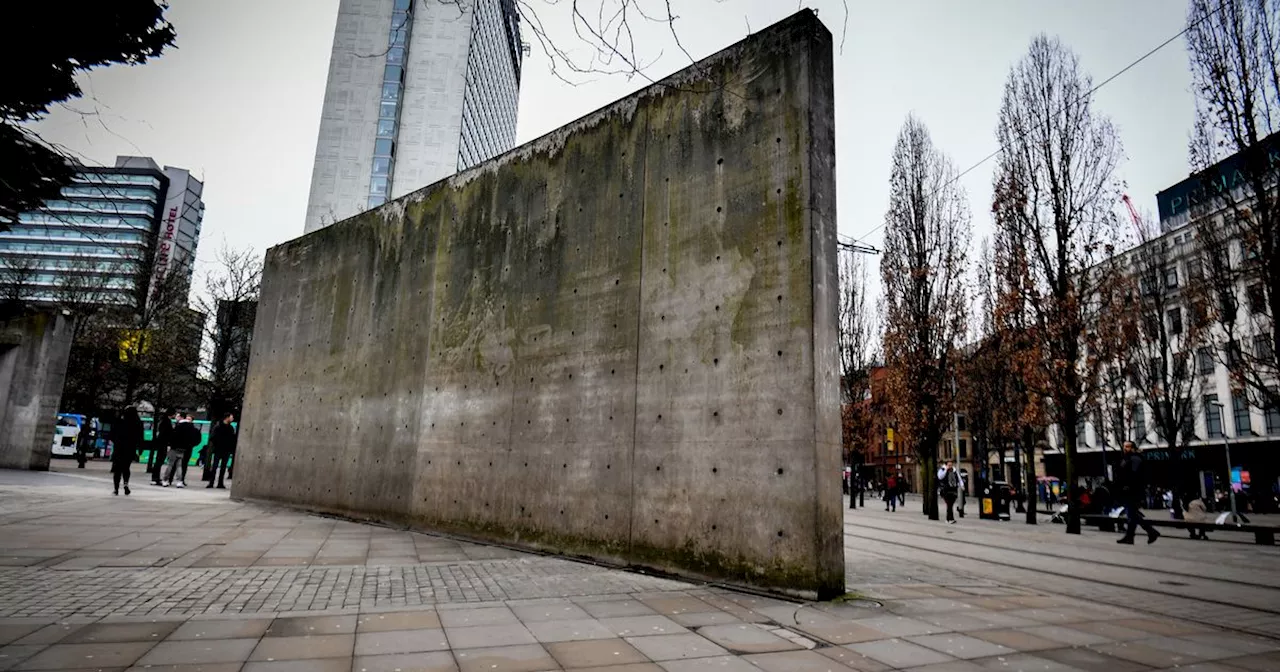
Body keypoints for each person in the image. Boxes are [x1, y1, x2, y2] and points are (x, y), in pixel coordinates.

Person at [1115, 441, 1160, 544]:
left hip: (1132, 491)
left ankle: (1149, 532)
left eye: (1128, 447)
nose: (1125, 448)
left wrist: (1127, 485)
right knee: (1132, 515)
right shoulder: (1127, 458)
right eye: (1124, 446)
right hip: (1128, 490)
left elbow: (1134, 475)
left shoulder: (1135, 459)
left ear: (1133, 448)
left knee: (1132, 514)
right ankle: (1132, 536)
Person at [110, 408, 143, 496]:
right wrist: (139, 448)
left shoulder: (120, 422)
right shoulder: (138, 423)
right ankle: (125, 483)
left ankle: (116, 489)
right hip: (130, 448)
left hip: (119, 448)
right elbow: (140, 437)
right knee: (126, 467)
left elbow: (112, 434)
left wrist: (116, 442)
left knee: (117, 469)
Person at [163, 413, 202, 488]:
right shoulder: (191, 428)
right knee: (179, 466)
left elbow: (173, 437)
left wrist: (170, 445)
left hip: (177, 448)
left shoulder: (179, 426)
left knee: (172, 465)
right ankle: (179, 481)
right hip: (184, 449)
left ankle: (167, 480)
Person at [207, 412, 237, 489]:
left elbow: (232, 439)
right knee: (215, 466)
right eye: (231, 417)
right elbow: (213, 437)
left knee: (223, 467)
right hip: (218, 449)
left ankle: (220, 483)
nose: (232, 419)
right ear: (227, 418)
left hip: (226, 450)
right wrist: (218, 444)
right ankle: (211, 482)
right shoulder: (218, 427)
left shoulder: (230, 428)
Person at [149, 409, 175, 485]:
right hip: (164, 443)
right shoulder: (167, 422)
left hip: (161, 443)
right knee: (159, 461)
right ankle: (155, 478)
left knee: (158, 461)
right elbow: (167, 434)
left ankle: (155, 478)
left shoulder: (163, 421)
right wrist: (168, 444)